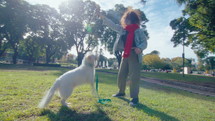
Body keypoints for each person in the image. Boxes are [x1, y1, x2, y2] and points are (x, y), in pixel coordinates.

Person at [100, 8, 148, 106]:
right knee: (121, 74)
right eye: (125, 18)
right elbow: (112, 25)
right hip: (125, 54)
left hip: (135, 54)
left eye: (127, 18)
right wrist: (103, 18)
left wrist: (140, 48)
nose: (125, 20)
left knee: (134, 77)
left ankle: (134, 98)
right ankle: (121, 92)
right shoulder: (123, 30)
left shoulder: (139, 31)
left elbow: (144, 42)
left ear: (132, 19)